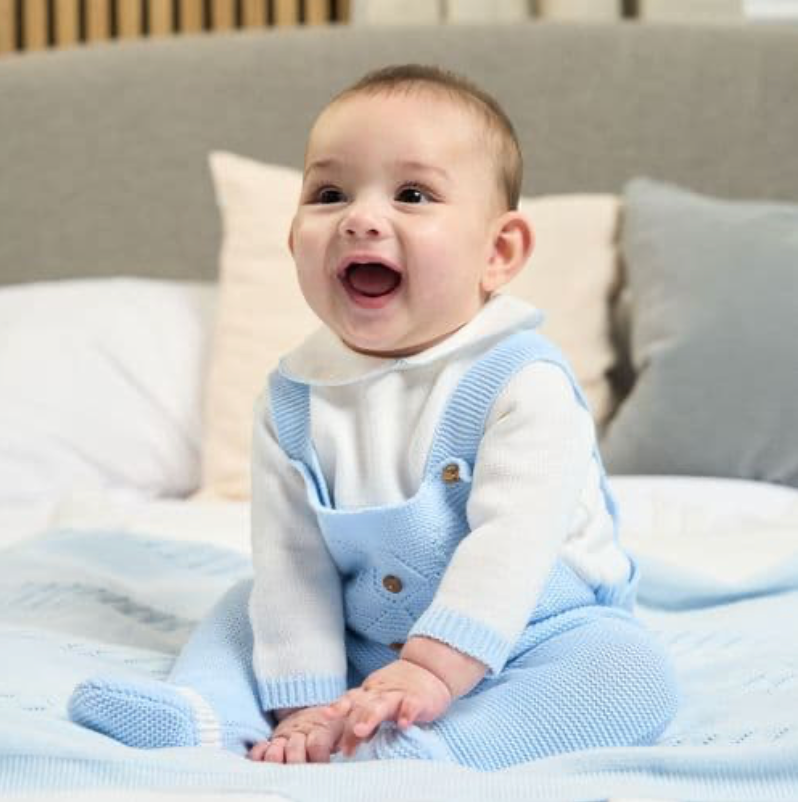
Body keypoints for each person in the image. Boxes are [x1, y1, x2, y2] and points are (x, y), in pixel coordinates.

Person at [68, 64, 678, 770]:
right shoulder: (292, 401)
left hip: (534, 630)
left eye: (412, 195)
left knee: (631, 675)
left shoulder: (523, 383)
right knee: (250, 606)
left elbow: (511, 545)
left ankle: (427, 753)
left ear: (497, 252)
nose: (360, 218)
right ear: (293, 241)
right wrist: (304, 704)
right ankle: (209, 719)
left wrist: (432, 668)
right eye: (329, 194)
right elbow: (295, 563)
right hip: (364, 635)